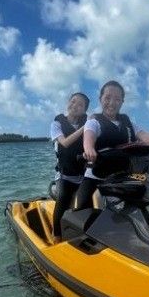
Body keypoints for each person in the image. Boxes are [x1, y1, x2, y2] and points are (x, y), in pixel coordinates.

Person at [74, 80, 149, 210]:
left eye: (117, 99)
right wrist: (89, 150)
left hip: (124, 178)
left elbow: (147, 137)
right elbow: (88, 137)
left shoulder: (127, 122)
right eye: (107, 98)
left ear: (122, 102)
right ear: (100, 98)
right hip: (96, 176)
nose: (112, 103)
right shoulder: (94, 122)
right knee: (80, 211)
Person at [50, 92, 90, 240]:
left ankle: (87, 235)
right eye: (73, 102)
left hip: (83, 175)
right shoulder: (57, 124)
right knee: (62, 200)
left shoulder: (87, 124)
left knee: (90, 204)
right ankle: (56, 237)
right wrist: (85, 127)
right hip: (65, 175)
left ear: (84, 110)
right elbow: (65, 143)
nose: (75, 106)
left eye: (80, 105)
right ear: (68, 102)